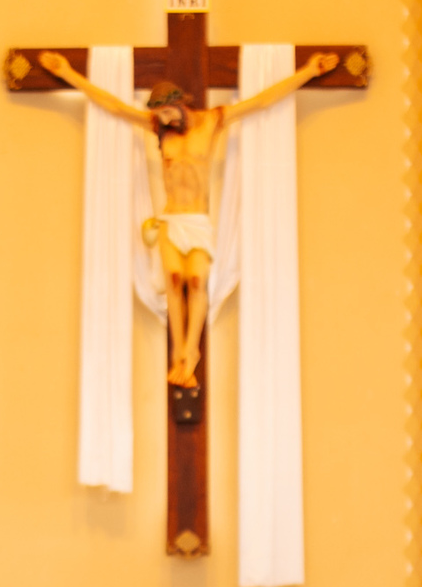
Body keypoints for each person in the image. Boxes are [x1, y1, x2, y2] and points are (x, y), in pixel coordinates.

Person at [38, 50, 338, 387]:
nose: (163, 121)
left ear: (179, 104)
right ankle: (177, 353)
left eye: (166, 112)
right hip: (170, 219)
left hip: (197, 219)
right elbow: (114, 106)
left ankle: (190, 352)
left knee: (196, 281)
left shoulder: (212, 121)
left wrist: (308, 72)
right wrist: (67, 74)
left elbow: (263, 101)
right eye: (159, 115)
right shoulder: (158, 127)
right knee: (173, 278)